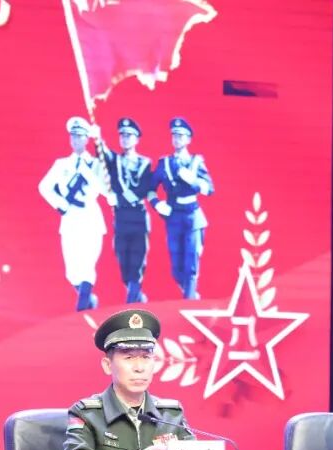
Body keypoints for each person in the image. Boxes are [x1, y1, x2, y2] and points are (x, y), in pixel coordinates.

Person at [63, 309, 194, 450]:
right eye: (129, 357)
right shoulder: (88, 414)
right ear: (108, 365)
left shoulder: (171, 415)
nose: (139, 367)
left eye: (146, 357)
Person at [38, 116, 109, 311]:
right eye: (73, 136)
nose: (76, 140)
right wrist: (60, 203)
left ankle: (82, 308)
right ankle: (89, 299)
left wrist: (89, 174)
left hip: (90, 218)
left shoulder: (96, 164)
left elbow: (106, 190)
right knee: (72, 271)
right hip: (70, 219)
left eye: (80, 136)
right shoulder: (61, 164)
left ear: (87, 139)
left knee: (87, 265)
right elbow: (44, 187)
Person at [148, 117, 214, 299]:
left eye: (181, 136)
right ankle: (191, 297)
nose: (177, 139)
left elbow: (210, 189)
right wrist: (156, 204)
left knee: (191, 266)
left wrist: (194, 181)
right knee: (177, 269)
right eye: (174, 136)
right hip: (174, 217)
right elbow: (150, 189)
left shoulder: (196, 162)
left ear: (188, 139)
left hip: (193, 216)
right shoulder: (164, 163)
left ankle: (189, 301)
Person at [98, 117, 154, 303]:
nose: (125, 139)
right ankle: (138, 297)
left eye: (129, 135)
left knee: (137, 262)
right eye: (122, 135)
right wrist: (98, 139)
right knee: (123, 261)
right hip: (121, 218)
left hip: (138, 217)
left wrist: (120, 198)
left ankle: (132, 301)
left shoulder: (145, 163)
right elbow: (103, 154)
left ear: (136, 139)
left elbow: (143, 189)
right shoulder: (115, 160)